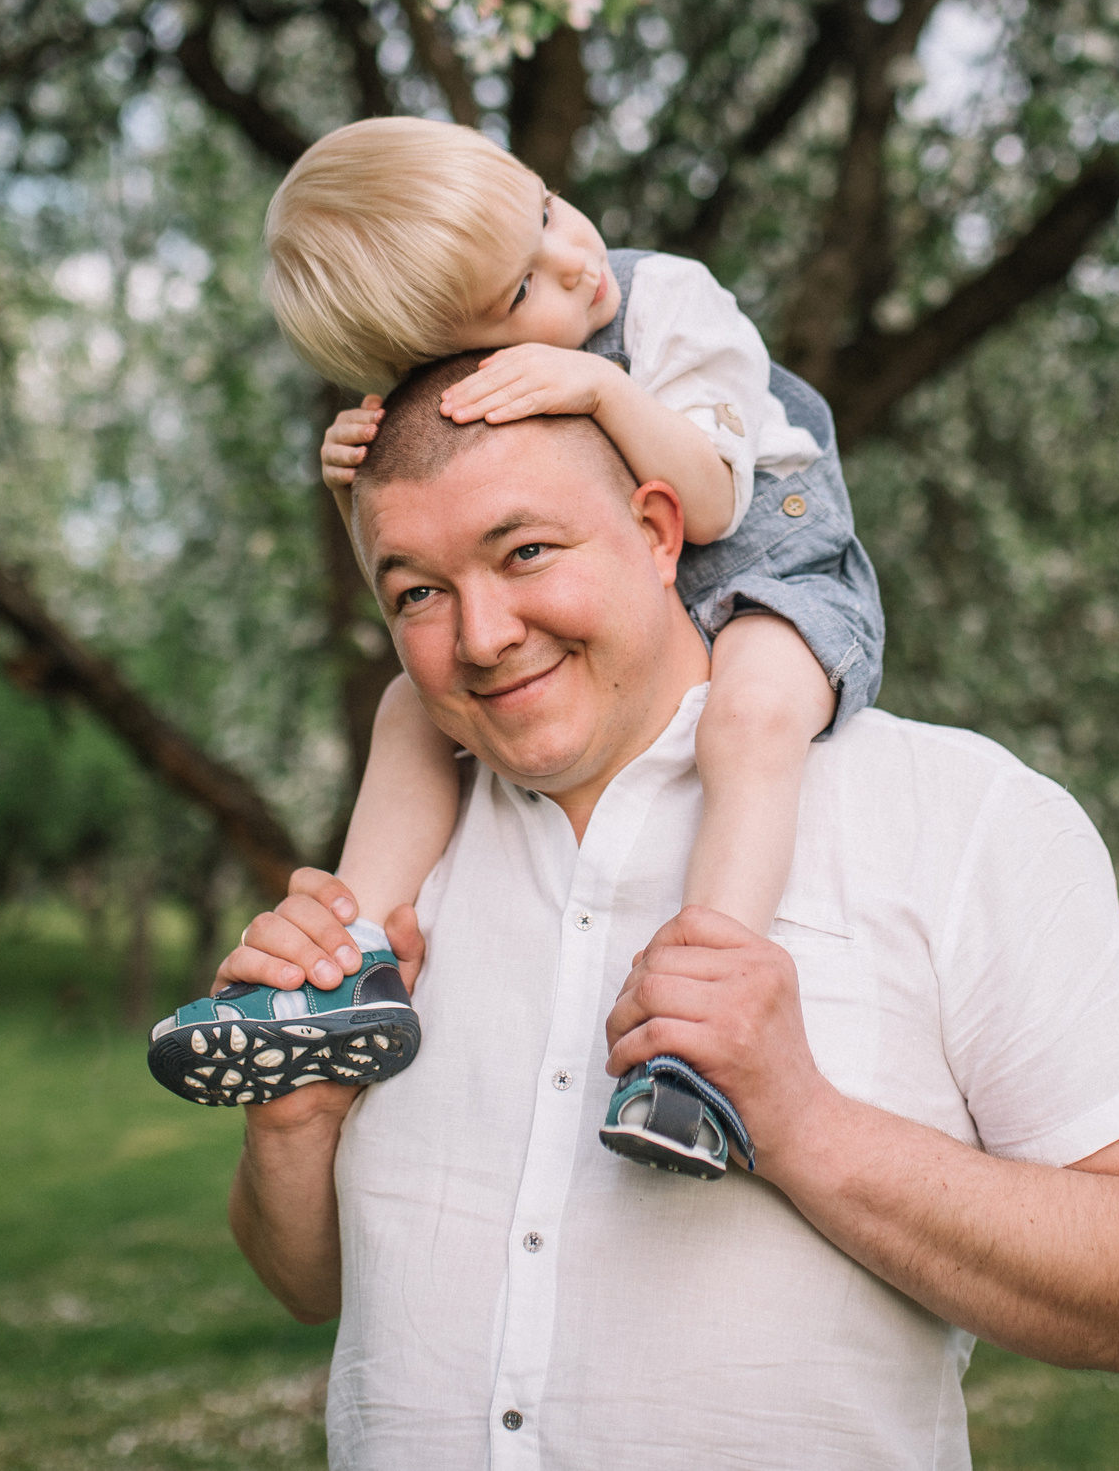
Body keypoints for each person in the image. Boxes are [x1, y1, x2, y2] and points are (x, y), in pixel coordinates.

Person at [213, 360, 1119, 1467]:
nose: (483, 633)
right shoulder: (396, 882)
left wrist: (800, 1120)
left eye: (525, 554)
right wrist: (295, 1127)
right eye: (416, 589)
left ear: (658, 529)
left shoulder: (963, 816)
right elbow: (305, 1282)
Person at [150, 117, 882, 1185]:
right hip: (620, 588)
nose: (576, 260)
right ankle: (344, 962)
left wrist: (602, 388)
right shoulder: (457, 396)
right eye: (515, 294)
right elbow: (422, 590)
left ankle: (700, 1027)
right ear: (447, 351)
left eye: (545, 208)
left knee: (754, 709)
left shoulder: (666, 301)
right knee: (411, 697)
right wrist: (364, 481)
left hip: (772, 564)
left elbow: (716, 501)